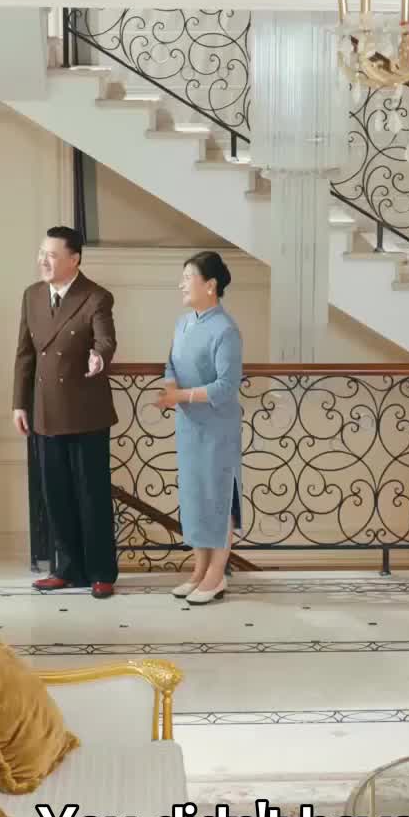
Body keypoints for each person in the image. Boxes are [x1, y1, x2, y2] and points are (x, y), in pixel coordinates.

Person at [12, 226, 118, 599]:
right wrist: (19, 404)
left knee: (91, 495)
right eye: (42, 253)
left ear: (74, 259)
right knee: (55, 495)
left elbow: (106, 339)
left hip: (85, 412)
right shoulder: (32, 296)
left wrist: (99, 357)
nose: (43, 260)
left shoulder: (95, 296)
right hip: (44, 411)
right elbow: (24, 354)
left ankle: (101, 572)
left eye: (52, 255)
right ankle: (66, 569)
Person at [154, 251, 242, 605]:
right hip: (189, 425)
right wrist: (170, 388)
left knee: (217, 497)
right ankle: (199, 569)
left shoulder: (226, 330)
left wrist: (181, 396)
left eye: (188, 277)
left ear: (210, 285)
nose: (181, 284)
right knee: (194, 498)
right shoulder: (182, 324)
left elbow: (226, 386)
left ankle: (216, 575)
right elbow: (170, 364)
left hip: (218, 427)